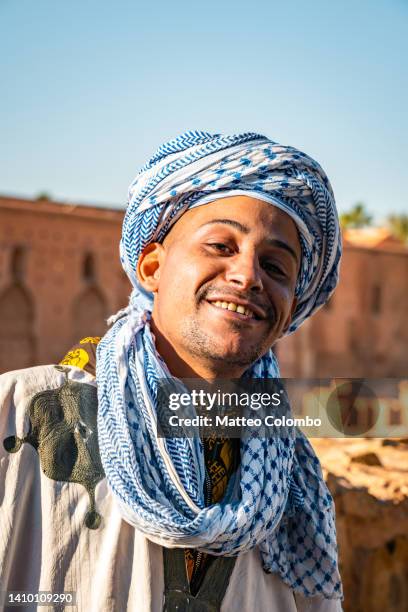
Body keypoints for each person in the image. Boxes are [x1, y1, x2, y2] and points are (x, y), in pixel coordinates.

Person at [0, 130, 343, 611]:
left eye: (275, 266)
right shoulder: (16, 413)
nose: (248, 277)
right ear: (152, 267)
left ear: (293, 306)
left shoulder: (293, 484)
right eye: (221, 246)